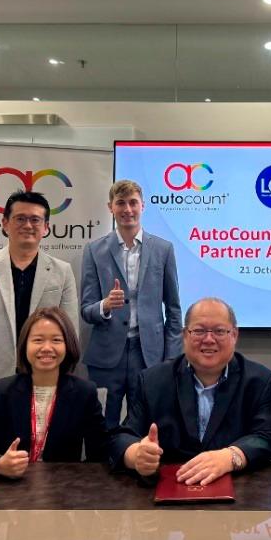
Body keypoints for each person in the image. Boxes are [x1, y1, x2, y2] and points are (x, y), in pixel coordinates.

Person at [112, 297, 271, 485]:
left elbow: (268, 437)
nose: (209, 340)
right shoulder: (152, 381)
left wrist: (230, 457)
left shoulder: (258, 381)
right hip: (169, 489)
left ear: (234, 335)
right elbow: (122, 438)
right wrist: (137, 455)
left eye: (219, 331)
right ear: (185, 335)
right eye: (199, 331)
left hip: (236, 491)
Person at [0, 307, 108, 483]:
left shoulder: (84, 393)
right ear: (25, 346)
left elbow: (102, 452)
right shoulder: (3, 391)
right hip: (10, 491)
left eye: (56, 340)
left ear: (68, 345)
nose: (47, 348)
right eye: (38, 340)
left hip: (64, 493)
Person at [0, 190, 79, 421]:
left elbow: (70, 331)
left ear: (46, 228)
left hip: (44, 383)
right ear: (5, 224)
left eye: (35, 219)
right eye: (20, 218)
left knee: (38, 456)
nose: (28, 225)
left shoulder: (61, 271)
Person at [81, 180, 183, 428]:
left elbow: (174, 309)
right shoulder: (94, 250)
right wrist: (105, 305)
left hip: (149, 354)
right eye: (121, 203)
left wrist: (171, 358)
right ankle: (102, 467)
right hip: (106, 356)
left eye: (133, 202)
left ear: (143, 206)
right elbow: (86, 310)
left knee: (147, 423)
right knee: (103, 425)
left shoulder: (163, 249)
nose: (127, 209)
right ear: (110, 208)